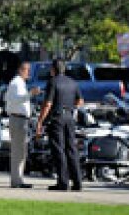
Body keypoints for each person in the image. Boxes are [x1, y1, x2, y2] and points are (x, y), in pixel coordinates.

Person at [36, 59, 84, 191]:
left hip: (57, 118)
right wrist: (70, 107)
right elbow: (80, 100)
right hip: (69, 117)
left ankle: (63, 182)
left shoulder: (52, 82)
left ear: (53, 69)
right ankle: (77, 182)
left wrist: (40, 121)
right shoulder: (73, 82)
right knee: (71, 149)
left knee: (59, 150)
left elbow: (48, 104)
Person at [5, 62, 40, 189]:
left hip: (20, 119)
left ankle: (18, 179)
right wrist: (31, 93)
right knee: (18, 151)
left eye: (29, 70)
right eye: (26, 70)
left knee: (21, 152)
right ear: (20, 70)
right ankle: (16, 181)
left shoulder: (19, 83)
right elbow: (16, 99)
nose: (28, 72)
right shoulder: (16, 83)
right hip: (18, 119)